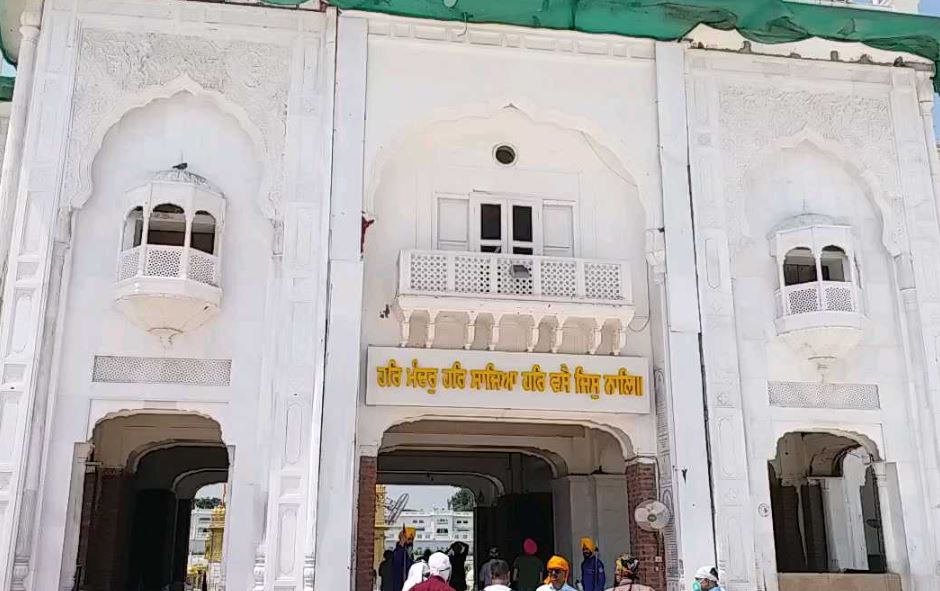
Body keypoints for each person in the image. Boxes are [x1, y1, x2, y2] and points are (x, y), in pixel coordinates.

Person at [392, 527, 417, 591]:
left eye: (412, 539)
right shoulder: (397, 552)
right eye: (409, 539)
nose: (411, 542)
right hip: (399, 584)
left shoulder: (408, 552)